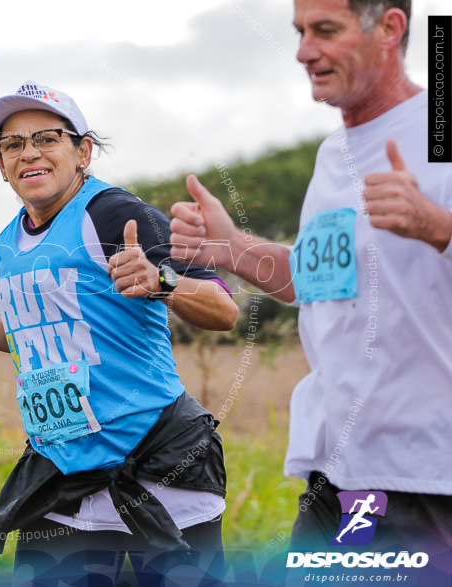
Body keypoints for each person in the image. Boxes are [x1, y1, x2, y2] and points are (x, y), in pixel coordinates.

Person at [0, 81, 238, 585]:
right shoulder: (7, 243)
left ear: (83, 152)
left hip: (159, 469)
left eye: (47, 138)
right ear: (0, 163)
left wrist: (161, 280)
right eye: (11, 144)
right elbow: (37, 336)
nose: (28, 152)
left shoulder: (114, 213)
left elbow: (224, 309)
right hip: (63, 478)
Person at [169, 0, 452, 575]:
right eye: (300, 32)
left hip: (428, 478)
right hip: (340, 475)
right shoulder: (333, 155)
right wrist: (229, 248)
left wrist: (437, 227)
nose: (303, 51)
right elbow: (315, 278)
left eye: (326, 31)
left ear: (390, 30)